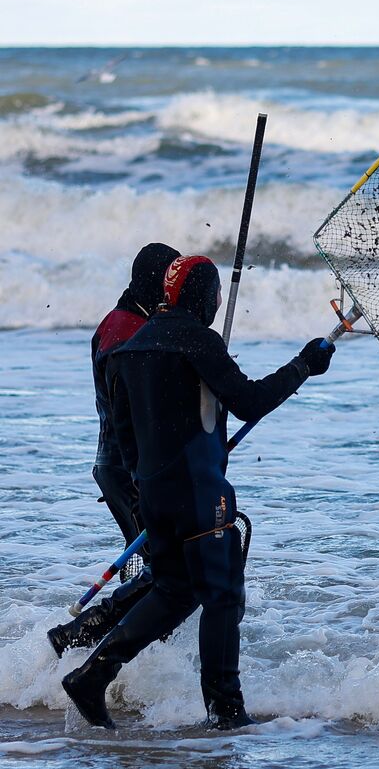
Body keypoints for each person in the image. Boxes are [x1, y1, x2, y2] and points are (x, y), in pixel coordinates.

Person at [61, 255, 336, 730]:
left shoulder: (131, 346)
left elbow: (124, 435)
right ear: (201, 297)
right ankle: (226, 710)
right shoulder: (199, 340)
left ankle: (92, 675)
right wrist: (303, 366)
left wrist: (152, 484)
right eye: (216, 295)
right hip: (198, 493)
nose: (218, 302)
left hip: (152, 494)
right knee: (222, 596)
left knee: (175, 591)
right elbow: (249, 401)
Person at [47, 242, 179, 657]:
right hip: (128, 469)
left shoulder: (125, 321)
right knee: (165, 567)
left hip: (123, 465)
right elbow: (134, 411)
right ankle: (86, 640)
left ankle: (133, 646)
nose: (174, 291)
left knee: (160, 564)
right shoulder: (125, 333)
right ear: (152, 283)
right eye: (169, 282)